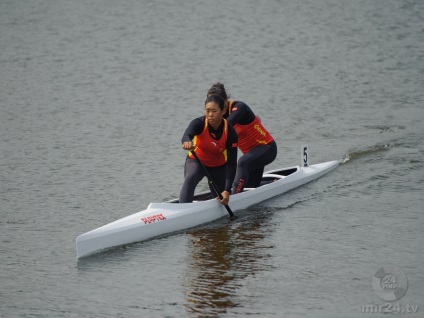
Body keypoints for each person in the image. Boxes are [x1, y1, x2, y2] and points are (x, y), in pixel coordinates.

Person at [207, 82, 277, 193]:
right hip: (252, 157)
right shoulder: (213, 117)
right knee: (252, 187)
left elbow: (226, 125)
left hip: (267, 149)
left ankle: (234, 196)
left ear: (226, 100)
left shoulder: (239, 108)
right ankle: (271, 183)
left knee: (242, 163)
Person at [179, 95, 238, 204]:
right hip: (197, 162)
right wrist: (186, 142)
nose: (210, 115)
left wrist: (227, 190)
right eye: (207, 111)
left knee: (220, 199)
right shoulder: (199, 123)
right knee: (190, 178)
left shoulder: (230, 132)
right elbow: (186, 136)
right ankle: (182, 209)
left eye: (214, 111)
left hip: (218, 167)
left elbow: (232, 163)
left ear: (223, 110)